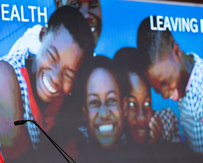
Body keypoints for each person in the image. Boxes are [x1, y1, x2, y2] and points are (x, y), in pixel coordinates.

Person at [0, 6, 95, 158]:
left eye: (68, 75)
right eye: (52, 56)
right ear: (42, 35)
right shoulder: (4, 75)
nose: (55, 78)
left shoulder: (62, 102)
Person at [136, 16, 203, 153]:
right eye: (158, 91)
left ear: (177, 52)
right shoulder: (184, 85)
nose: (168, 96)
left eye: (166, 82)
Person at [113, 47, 180, 145]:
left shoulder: (166, 122)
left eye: (147, 103)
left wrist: (160, 146)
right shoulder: (108, 131)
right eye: (132, 104)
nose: (141, 117)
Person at [76, 55, 124, 150]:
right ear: (85, 111)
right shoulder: (73, 150)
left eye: (111, 100)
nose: (104, 114)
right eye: (94, 102)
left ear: (124, 106)